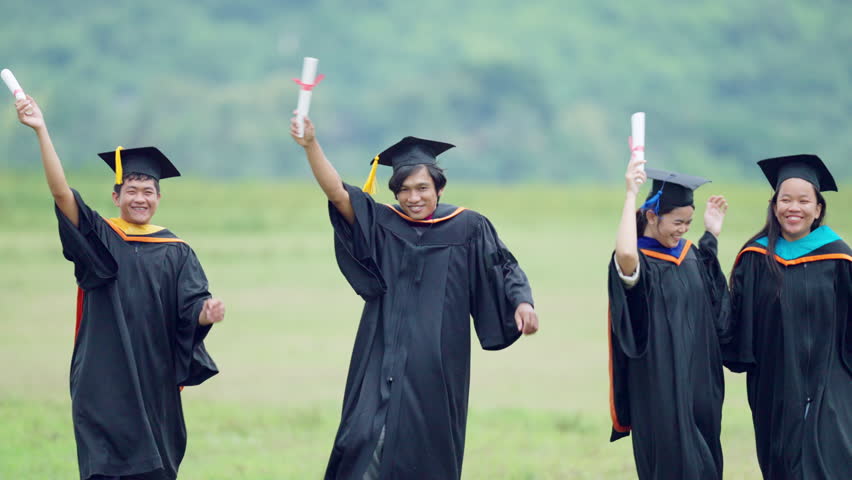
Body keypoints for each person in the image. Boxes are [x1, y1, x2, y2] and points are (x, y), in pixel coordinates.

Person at [290, 115, 538, 480]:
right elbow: (338, 193)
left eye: (422, 188)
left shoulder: (468, 227)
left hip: (437, 366)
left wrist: (522, 302)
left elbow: (503, 267)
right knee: (362, 437)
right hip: (379, 353)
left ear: (439, 188)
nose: (413, 197)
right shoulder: (383, 224)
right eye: (404, 189)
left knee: (429, 452)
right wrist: (311, 144)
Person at [15, 95, 224, 480]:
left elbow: (190, 307)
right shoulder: (101, 238)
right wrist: (41, 130)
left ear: (159, 198)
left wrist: (204, 312)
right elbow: (62, 195)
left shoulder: (177, 251)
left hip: (154, 381)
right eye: (132, 190)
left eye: (148, 192)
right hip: (103, 378)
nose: (140, 198)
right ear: (116, 197)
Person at [723, 154, 852, 479]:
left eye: (803, 200)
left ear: (818, 209)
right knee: (783, 465)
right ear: (774, 204)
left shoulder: (839, 257)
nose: (794, 208)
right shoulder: (755, 259)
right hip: (775, 387)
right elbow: (734, 322)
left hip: (832, 383)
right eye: (786, 199)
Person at [608, 154, 731, 479]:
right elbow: (625, 253)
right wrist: (630, 194)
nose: (682, 230)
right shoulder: (640, 263)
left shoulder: (690, 256)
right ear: (652, 215)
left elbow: (715, 302)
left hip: (700, 388)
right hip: (659, 387)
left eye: (688, 224)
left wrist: (710, 234)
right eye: (677, 222)